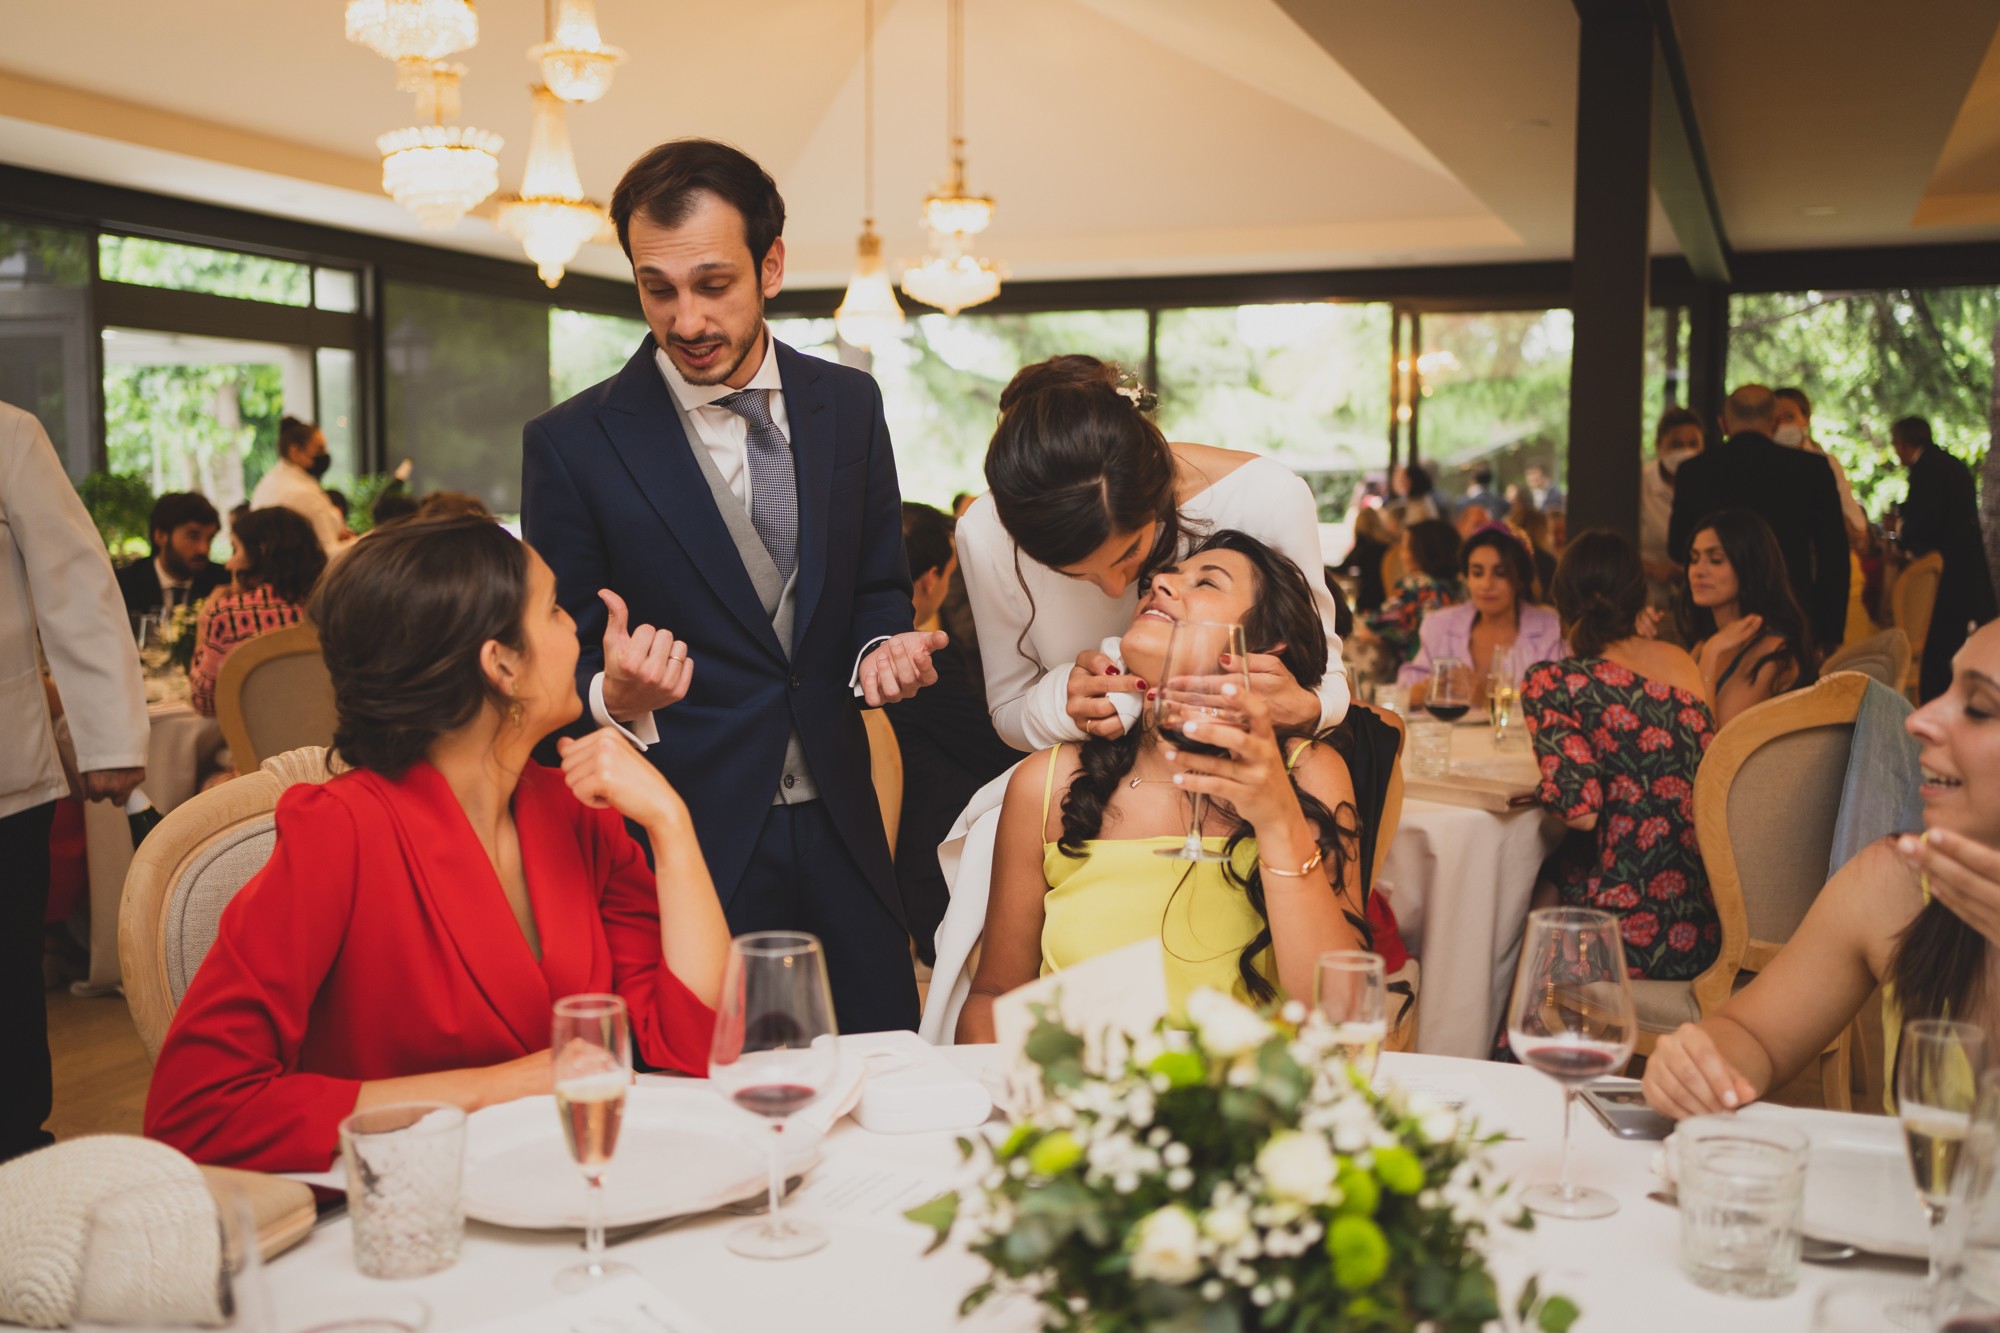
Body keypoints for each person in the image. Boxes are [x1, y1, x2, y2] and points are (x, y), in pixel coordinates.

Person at [144, 515, 732, 1172]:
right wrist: (497, 1087)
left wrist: (671, 824)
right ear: (501, 663)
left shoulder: (577, 811)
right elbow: (196, 1109)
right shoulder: (341, 833)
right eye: (555, 609)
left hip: (577, 1188)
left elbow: (694, 1043)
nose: (576, 629)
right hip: (410, 1220)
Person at [520, 139, 939, 1033]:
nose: (685, 319)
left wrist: (881, 650)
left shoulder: (849, 405)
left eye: (714, 284)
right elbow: (560, 653)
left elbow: (874, 587)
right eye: (657, 288)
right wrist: (610, 688)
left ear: (771, 264)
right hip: (689, 832)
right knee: (711, 1089)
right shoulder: (572, 443)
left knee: (881, 1058)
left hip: (845, 818)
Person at [956, 532, 1370, 1042]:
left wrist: (1278, 817)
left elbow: (1343, 1014)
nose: (1161, 585)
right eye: (1159, 580)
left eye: (1206, 582)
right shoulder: (1049, 783)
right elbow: (995, 995)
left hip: (1245, 1107)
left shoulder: (1307, 773)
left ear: (1263, 644)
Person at [1642, 618, 2000, 1119]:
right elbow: (1755, 1035)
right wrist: (1701, 1067)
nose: (1920, 719)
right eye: (1946, 688)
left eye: (1980, 708)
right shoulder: (1897, 884)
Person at [958, 355, 1348, 754]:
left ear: (1156, 484)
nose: (1115, 591)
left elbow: (1326, 676)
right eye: (1074, 574)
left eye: (1129, 552)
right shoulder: (985, 532)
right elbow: (1008, 708)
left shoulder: (1268, 497)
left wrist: (1306, 708)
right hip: (1083, 783)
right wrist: (1062, 703)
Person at [0, 401, 149, 1162]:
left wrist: (110, 735)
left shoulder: (8, 433)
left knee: (5, 986)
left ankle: (16, 1162)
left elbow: (76, 585)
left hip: (2, 776)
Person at [1522, 530, 1720, 980]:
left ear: (1561, 601)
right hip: (1702, 925)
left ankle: (1508, 1034)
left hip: (1618, 932)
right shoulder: (1680, 661)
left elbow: (1581, 811)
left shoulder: (1553, 680)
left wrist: (1541, 787)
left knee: (1519, 893)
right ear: (1638, 596)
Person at [885, 503, 1017, 965]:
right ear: (929, 580)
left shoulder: (866, 654)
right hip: (931, 864)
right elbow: (993, 752)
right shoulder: (920, 664)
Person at [1669, 384, 1848, 653]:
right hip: (1791, 615)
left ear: (1723, 425)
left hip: (1713, 620)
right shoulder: (1811, 470)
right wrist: (1830, 631)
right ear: (1775, 423)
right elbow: (1833, 555)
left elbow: (1677, 546)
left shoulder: (1694, 472)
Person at [1679, 509, 1816, 728]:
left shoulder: (1773, 651)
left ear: (1749, 566)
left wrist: (1711, 655)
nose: (1698, 571)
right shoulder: (1707, 642)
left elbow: (1713, 745)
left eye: (1715, 560)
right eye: (1694, 559)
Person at [187, 507, 329, 718]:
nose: (228, 565)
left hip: (252, 750)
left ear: (261, 553)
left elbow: (205, 704)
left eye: (235, 550)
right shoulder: (331, 609)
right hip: (326, 744)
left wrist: (204, 623)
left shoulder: (229, 615)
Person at [1895, 415, 1998, 703]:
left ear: (1903, 444)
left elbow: (1925, 521)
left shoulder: (1926, 469)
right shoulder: (1950, 463)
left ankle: (1935, 700)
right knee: (1951, 640)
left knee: (1938, 642)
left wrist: (1905, 539)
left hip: (1946, 570)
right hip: (1965, 564)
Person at [1403, 524, 1564, 706]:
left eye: (1500, 573)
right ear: (1466, 578)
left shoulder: (1550, 630)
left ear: (1520, 580)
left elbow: (1558, 706)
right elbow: (1404, 688)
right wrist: (1423, 690)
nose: (1487, 584)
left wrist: (1486, 702)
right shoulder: (1440, 625)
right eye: (1477, 573)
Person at [1355, 518, 1464, 669]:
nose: (1402, 555)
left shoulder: (1418, 584)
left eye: (1406, 548)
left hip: (1419, 672)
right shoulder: (1460, 587)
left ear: (1422, 551)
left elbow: (1373, 627)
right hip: (1455, 669)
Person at [250, 416, 352, 556]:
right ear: (295, 452)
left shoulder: (269, 482)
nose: (325, 455)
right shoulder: (302, 493)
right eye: (319, 449)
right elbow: (329, 554)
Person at [115, 491, 227, 618]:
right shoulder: (124, 585)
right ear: (160, 536)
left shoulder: (221, 583)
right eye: (193, 536)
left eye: (209, 538)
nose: (204, 549)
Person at [1639, 406, 1703, 612]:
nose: (1685, 451)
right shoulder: (1641, 484)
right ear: (1659, 446)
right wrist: (1654, 569)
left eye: (1693, 444)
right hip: (1649, 600)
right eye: (1676, 444)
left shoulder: (1708, 485)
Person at [1334, 503, 1397, 614]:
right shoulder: (1388, 545)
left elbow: (1343, 568)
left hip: (1370, 598)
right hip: (1390, 595)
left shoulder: (1363, 544)